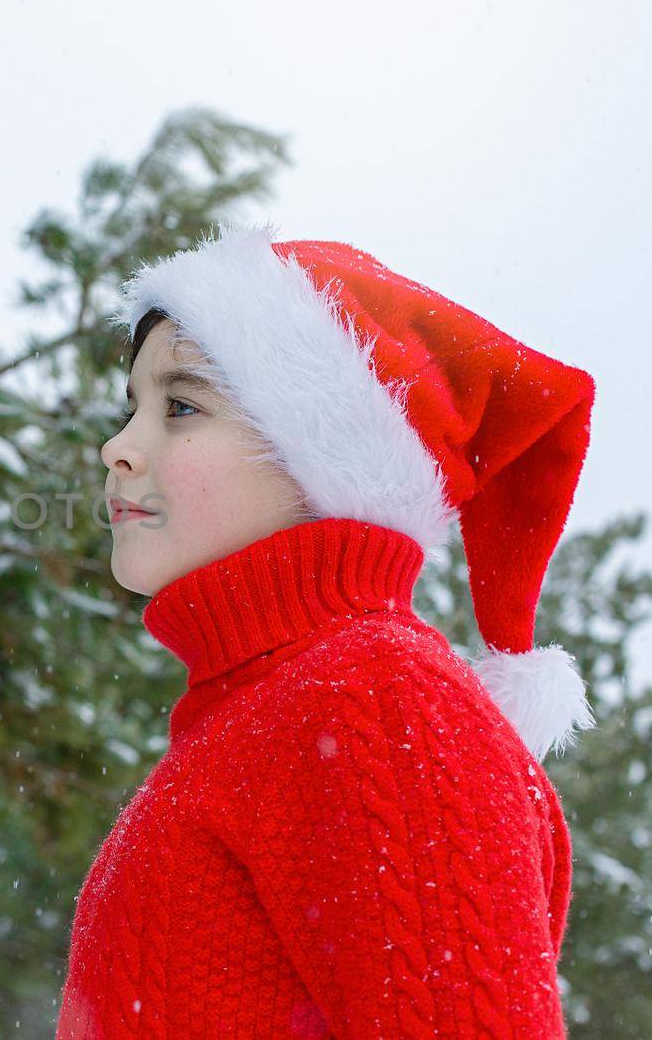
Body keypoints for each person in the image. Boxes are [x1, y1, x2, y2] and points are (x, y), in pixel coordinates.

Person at [56, 223, 597, 1038]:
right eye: (132, 407)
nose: (118, 447)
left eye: (180, 405)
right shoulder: (258, 713)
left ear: (319, 449)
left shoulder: (379, 698)